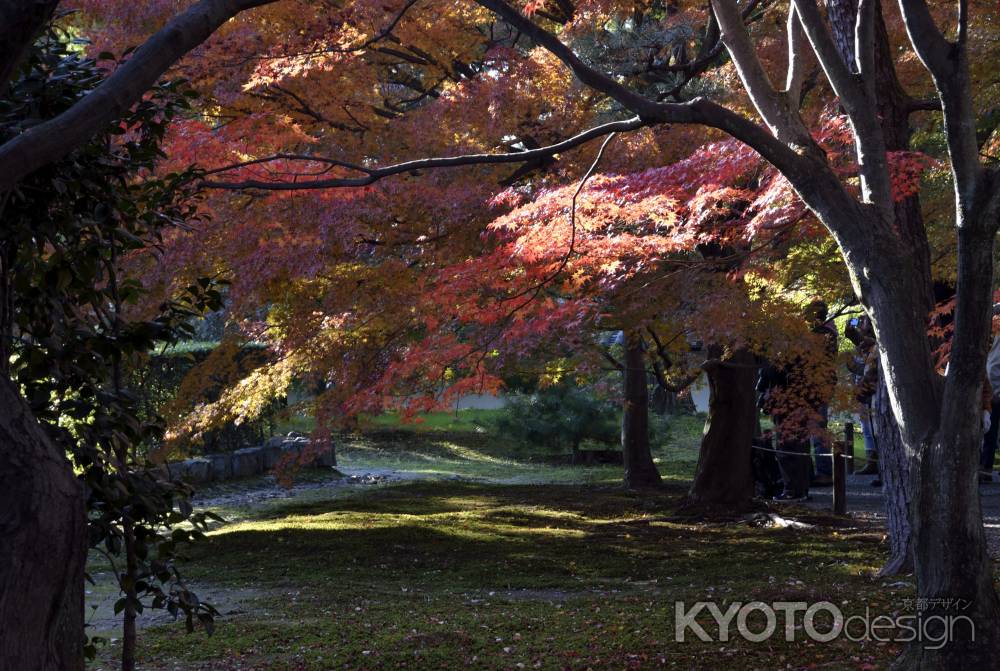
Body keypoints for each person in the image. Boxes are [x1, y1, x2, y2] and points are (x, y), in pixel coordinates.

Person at [806, 300, 838, 487]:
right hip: (819, 384)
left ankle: (825, 472)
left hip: (818, 386)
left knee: (817, 429)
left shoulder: (822, 333)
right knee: (816, 428)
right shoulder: (827, 332)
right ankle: (820, 470)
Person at [845, 318, 879, 476]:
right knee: (867, 427)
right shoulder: (866, 346)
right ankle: (872, 462)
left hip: (872, 391)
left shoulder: (876, 345)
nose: (860, 322)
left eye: (864, 320)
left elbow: (870, 371)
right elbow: (862, 369)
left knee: (875, 427)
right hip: (864, 388)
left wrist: (860, 389)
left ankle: (879, 465)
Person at [982, 336, 1000, 483]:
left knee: (990, 434)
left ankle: (985, 469)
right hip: (993, 394)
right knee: (990, 434)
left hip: (993, 392)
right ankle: (985, 469)